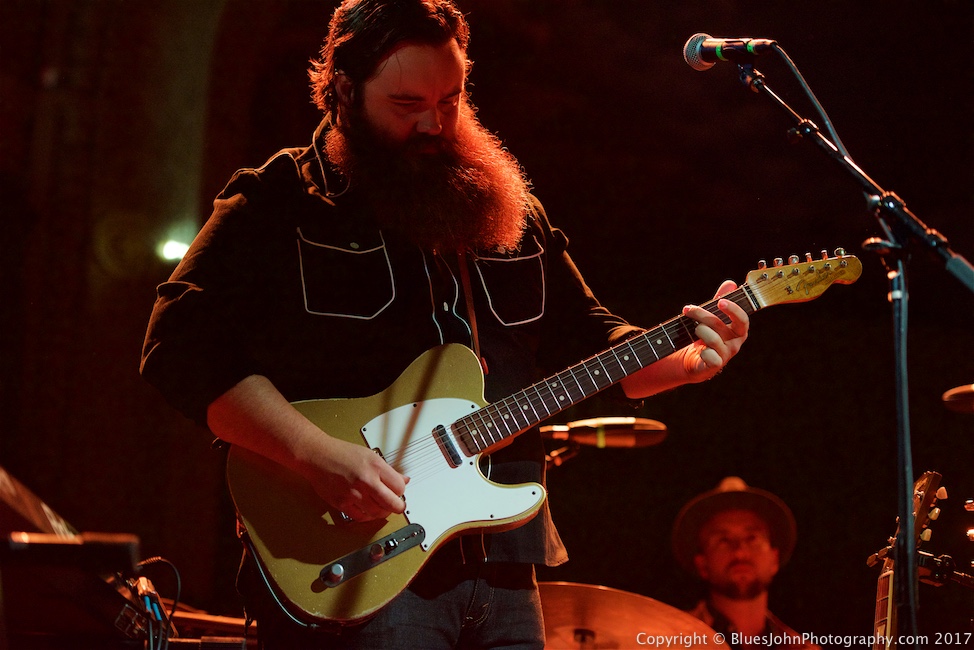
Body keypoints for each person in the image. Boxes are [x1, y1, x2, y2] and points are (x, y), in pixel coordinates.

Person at [140, 1, 750, 647]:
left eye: (452, 99)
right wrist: (317, 456)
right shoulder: (277, 201)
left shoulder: (509, 209)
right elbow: (177, 349)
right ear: (344, 90)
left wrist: (686, 360)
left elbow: (592, 336)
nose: (435, 121)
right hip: (358, 564)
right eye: (407, 104)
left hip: (507, 562)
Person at [671, 477, 821, 650]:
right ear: (702, 564)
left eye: (752, 538)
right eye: (723, 540)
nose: (740, 552)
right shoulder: (671, 641)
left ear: (774, 559)